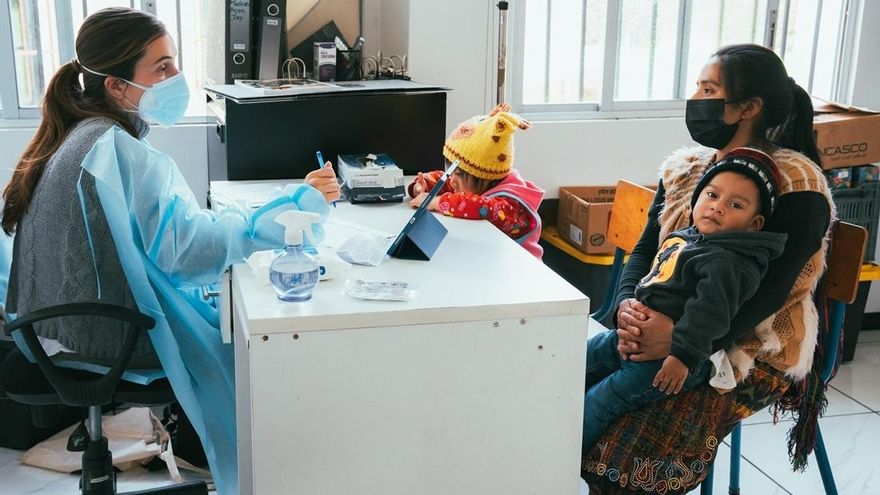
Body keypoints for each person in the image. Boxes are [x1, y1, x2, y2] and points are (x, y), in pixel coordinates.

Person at [0, 8, 339, 494]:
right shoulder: (117, 150)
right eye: (161, 68)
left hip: (59, 331)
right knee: (261, 349)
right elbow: (191, 252)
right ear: (117, 87)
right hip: (109, 339)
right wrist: (292, 208)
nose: (176, 78)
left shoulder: (77, 137)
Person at [582, 43, 834, 493]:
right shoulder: (687, 169)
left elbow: (771, 292)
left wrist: (680, 340)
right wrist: (623, 307)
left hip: (748, 348)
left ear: (748, 108)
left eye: (708, 88)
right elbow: (645, 251)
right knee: (554, 387)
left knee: (619, 449)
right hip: (663, 328)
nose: (696, 98)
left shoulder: (796, 182)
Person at [582, 148, 787, 452]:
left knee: (599, 402)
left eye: (735, 205)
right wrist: (628, 313)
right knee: (570, 363)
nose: (717, 208)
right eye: (712, 195)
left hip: (668, 362)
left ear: (754, 224)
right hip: (628, 340)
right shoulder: (686, 237)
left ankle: (557, 463)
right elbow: (653, 278)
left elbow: (710, 315)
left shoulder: (728, 261)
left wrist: (682, 357)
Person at [408, 103, 545, 259]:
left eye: (458, 174)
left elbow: (481, 206)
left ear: (482, 176)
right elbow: (446, 180)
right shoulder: (475, 184)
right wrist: (422, 185)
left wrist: (437, 202)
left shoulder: (510, 205)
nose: (452, 181)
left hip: (520, 270)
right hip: (489, 260)